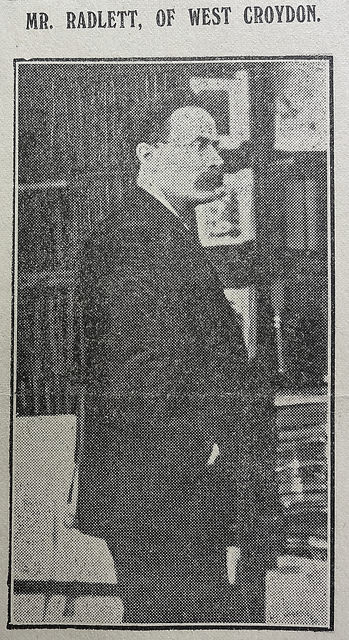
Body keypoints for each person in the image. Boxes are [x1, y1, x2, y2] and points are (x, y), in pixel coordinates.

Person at [75, 89, 257, 623]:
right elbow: (139, 371)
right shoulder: (133, 236)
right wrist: (207, 446)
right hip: (157, 486)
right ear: (148, 155)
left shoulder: (166, 231)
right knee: (180, 615)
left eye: (218, 147)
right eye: (199, 145)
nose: (217, 160)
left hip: (168, 482)